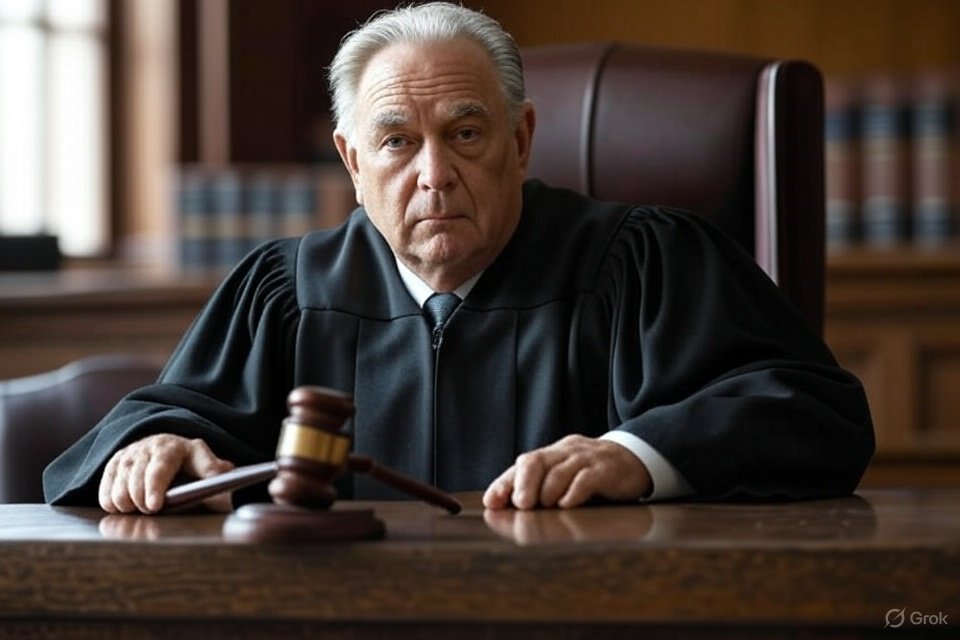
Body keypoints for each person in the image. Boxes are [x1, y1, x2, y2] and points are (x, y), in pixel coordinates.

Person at [43, 2, 874, 515]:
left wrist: (638, 457)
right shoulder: (287, 292)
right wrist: (152, 445)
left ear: (520, 141)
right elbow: (181, 412)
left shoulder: (644, 262)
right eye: (397, 142)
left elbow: (811, 413)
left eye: (466, 134)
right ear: (351, 162)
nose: (434, 175)